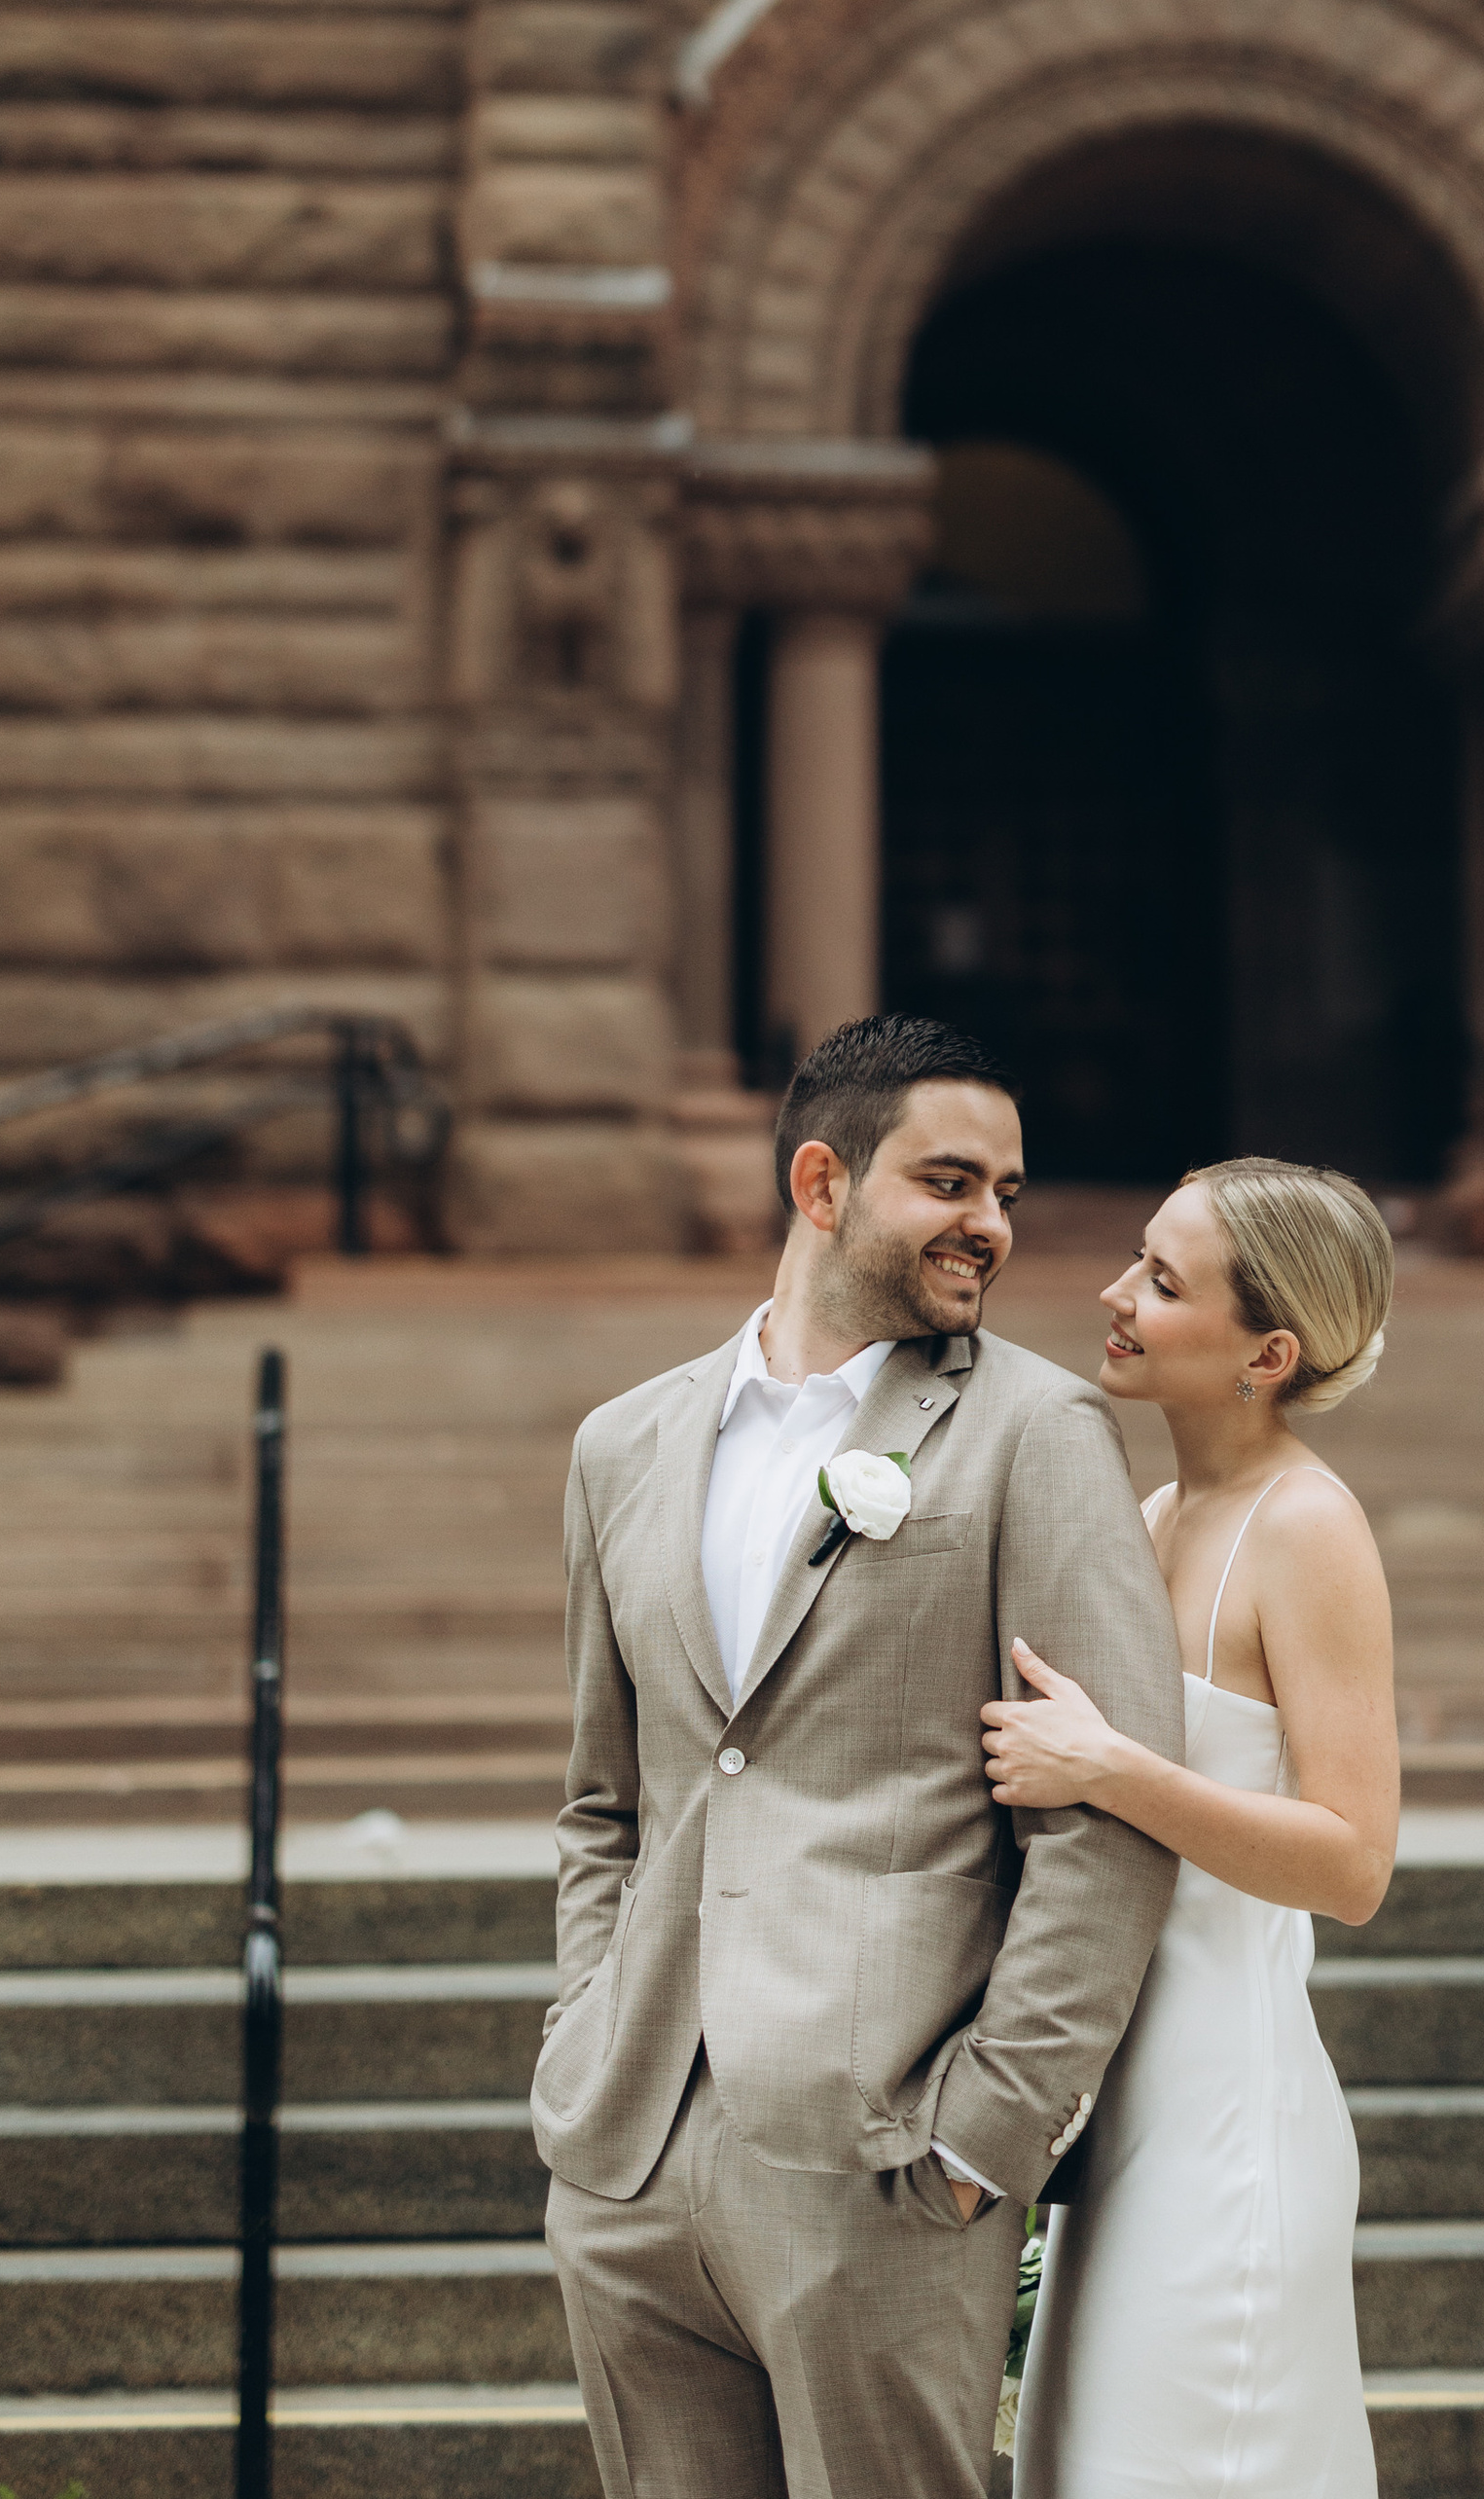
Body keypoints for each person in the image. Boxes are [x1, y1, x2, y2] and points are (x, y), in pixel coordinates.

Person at [533, 1012, 1186, 2499]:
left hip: (882, 2159)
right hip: (628, 2155)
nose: (993, 1227)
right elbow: (602, 1796)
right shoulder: (622, 1446)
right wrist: (585, 2033)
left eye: (1008, 1193)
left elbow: (1106, 1814)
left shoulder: (1040, 1433)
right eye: (951, 1183)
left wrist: (985, 2135)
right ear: (822, 1183)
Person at [989, 1155, 1400, 2499]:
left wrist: (1109, 1768)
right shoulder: (1159, 1514)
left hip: (1227, 2121)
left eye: (1163, 1282)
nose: (1115, 1295)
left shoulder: (1310, 1529)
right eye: (1136, 1259)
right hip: (1115, 2112)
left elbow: (1351, 1862)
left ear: (1266, 1353)